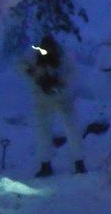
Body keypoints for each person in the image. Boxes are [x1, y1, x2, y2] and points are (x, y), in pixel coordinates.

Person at [21, 33, 86, 177]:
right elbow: (21, 65)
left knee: (71, 130)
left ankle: (79, 162)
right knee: (43, 132)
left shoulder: (64, 56)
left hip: (62, 98)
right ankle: (45, 164)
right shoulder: (35, 54)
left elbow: (73, 73)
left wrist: (60, 83)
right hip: (42, 98)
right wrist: (33, 74)